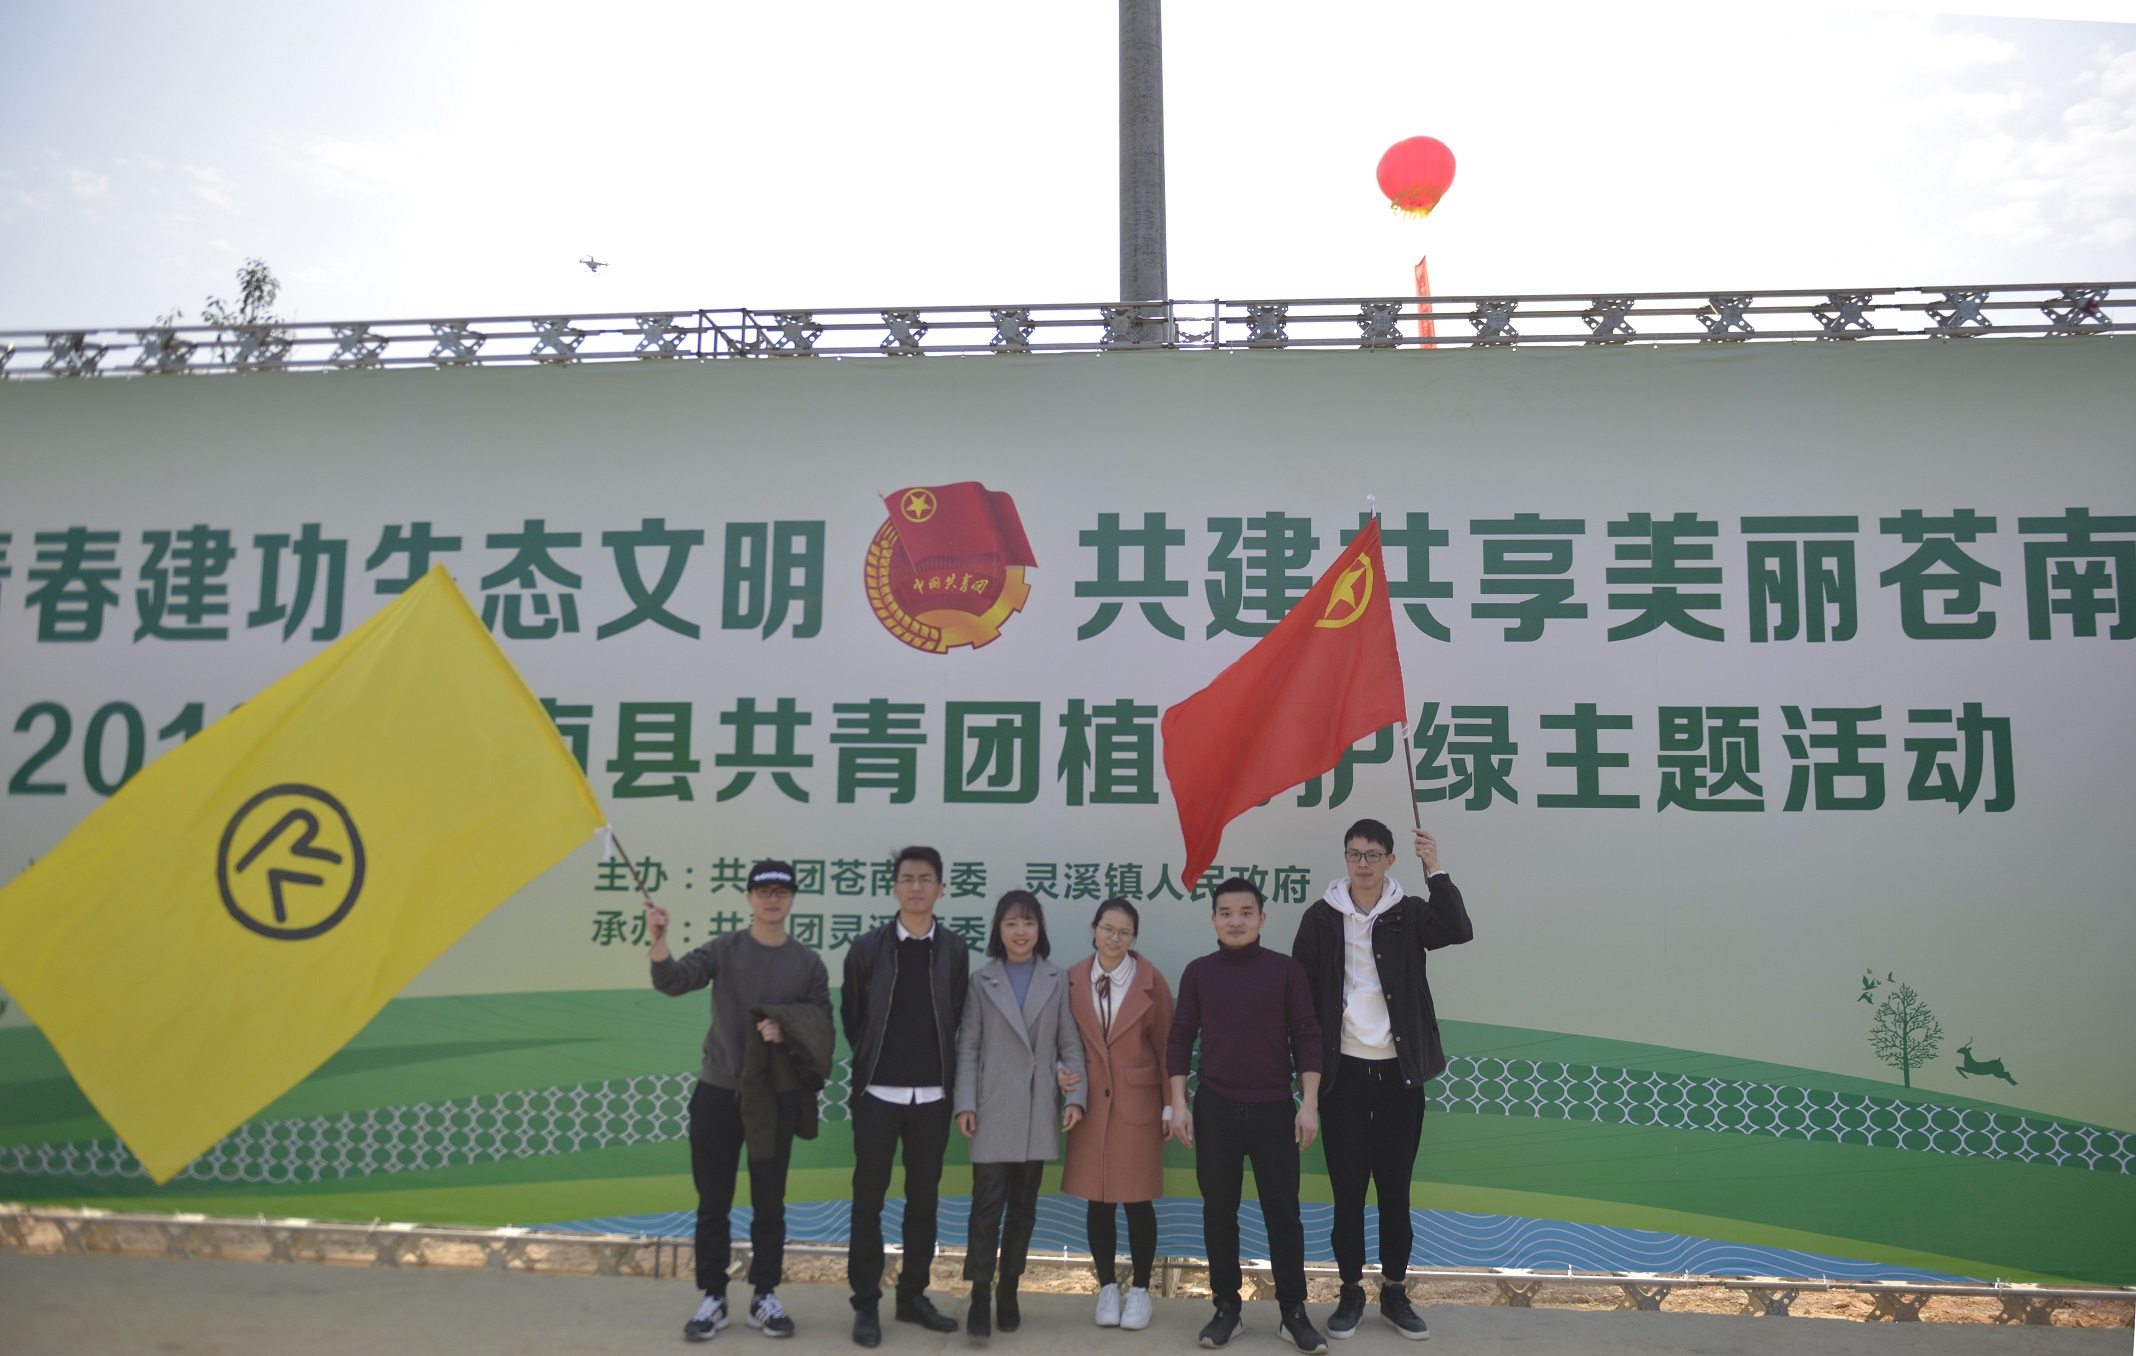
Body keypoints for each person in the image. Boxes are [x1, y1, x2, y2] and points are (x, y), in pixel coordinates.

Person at [1292, 820, 1472, 1342]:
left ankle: (1394, 1292)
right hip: (1343, 1075)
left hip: (1399, 1073)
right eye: (1354, 854)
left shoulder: (1409, 913)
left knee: (1395, 1188)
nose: (1363, 864)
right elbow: (1301, 999)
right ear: (1345, 858)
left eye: (1373, 855)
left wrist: (1435, 869)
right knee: (1347, 1190)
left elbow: (1457, 928)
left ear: (1391, 860)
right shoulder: (1321, 918)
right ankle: (1350, 1291)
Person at [649, 860, 834, 1343]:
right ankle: (713, 1297)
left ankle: (763, 1297)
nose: (773, 899)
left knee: (769, 1203)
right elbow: (673, 980)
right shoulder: (726, 949)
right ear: (749, 897)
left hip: (774, 1099)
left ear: (792, 899)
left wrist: (786, 1027)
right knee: (713, 1202)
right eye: (763, 891)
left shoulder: (808, 963)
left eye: (782, 892)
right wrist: (659, 939)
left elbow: (822, 1028)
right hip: (718, 1092)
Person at [1168, 878, 1326, 1354]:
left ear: (1262, 917)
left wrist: (1309, 1105)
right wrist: (1179, 1103)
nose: (1235, 921)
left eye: (1245, 912)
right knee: (1219, 1213)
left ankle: (1293, 1313)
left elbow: (1308, 1035)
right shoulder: (1198, 973)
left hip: (1274, 1108)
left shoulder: (1285, 970)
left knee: (1284, 1215)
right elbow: (1180, 1038)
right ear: (1213, 918)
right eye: (1225, 912)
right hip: (1215, 1108)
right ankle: (1226, 1309)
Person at [841, 846, 970, 1346]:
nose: (916, 887)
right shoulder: (867, 948)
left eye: (926, 879)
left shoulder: (954, 949)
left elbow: (956, 1013)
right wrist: (876, 1066)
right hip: (877, 1093)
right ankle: (865, 1304)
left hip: (933, 1096)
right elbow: (854, 1016)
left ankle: (913, 1295)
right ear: (894, 887)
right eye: (908, 878)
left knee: (923, 1201)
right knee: (867, 1201)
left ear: (941, 888)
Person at [954, 891, 1088, 1339]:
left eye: (1028, 922)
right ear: (999, 929)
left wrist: (1075, 1096)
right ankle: (979, 1295)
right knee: (986, 1207)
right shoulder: (982, 980)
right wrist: (966, 1103)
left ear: (1039, 929)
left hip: (1036, 1109)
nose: (1020, 931)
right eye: (1011, 922)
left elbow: (1069, 1043)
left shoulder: (1056, 977)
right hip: (991, 1110)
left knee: (1023, 1209)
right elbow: (969, 1048)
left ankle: (1008, 1288)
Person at [1060, 897, 1174, 1333]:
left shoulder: (1151, 980)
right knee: (1099, 1199)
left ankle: (1141, 1291)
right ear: (1094, 929)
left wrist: (1170, 1103)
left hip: (1138, 1103)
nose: (1114, 938)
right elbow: (1062, 1039)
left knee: (1138, 1199)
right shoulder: (1072, 978)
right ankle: (1107, 1287)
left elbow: (1167, 1046)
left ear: (1133, 937)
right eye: (1108, 929)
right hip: (1090, 1103)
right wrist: (1062, 1074)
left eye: (1124, 932)